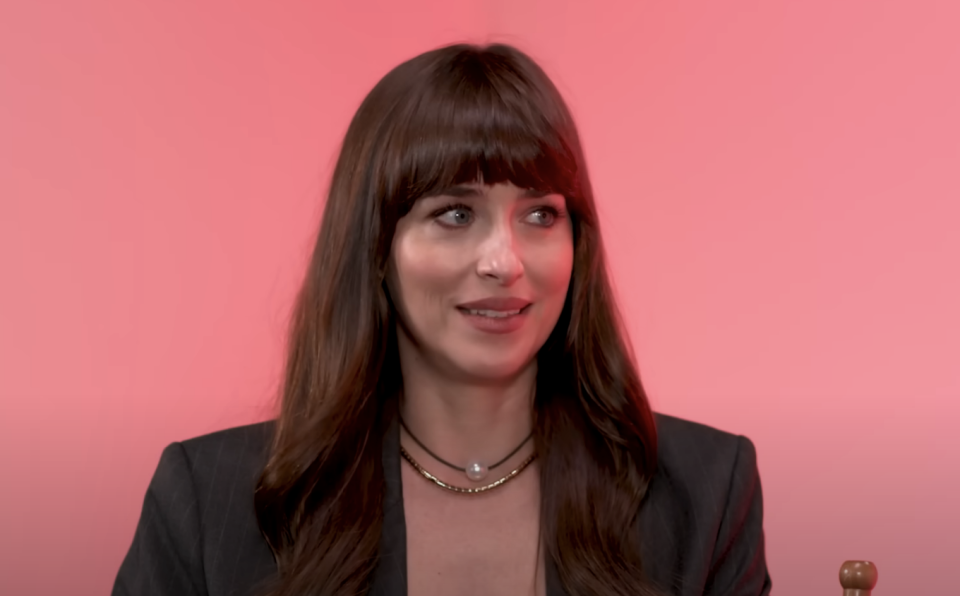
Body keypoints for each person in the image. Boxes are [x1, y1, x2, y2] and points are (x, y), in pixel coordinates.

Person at [113, 43, 772, 596]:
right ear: (374, 245)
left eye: (540, 214)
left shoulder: (705, 489)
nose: (504, 261)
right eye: (455, 214)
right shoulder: (207, 498)